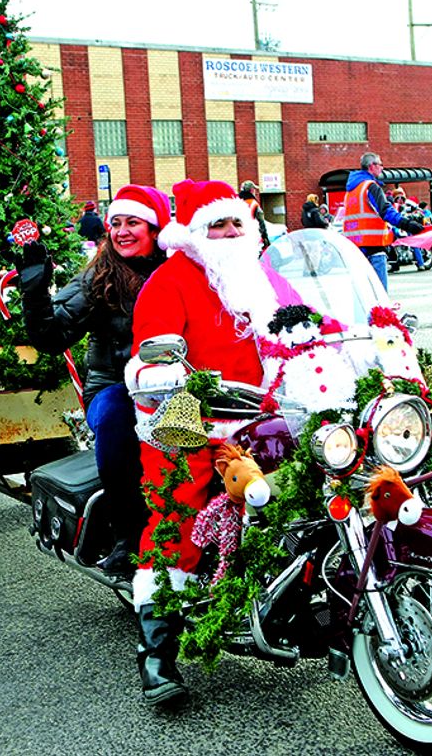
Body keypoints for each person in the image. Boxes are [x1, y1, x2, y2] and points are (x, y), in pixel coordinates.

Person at [125, 178, 289, 705]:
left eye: (236, 222)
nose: (229, 232)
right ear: (194, 233)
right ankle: (158, 652)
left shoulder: (263, 275)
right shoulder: (169, 281)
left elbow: (306, 325)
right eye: (216, 224)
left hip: (264, 420)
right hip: (189, 422)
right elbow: (150, 358)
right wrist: (166, 379)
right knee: (178, 517)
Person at [19, 184, 172, 579]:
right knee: (117, 417)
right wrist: (35, 285)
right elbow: (50, 337)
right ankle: (126, 535)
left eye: (132, 222)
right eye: (115, 223)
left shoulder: (177, 270)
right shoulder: (99, 277)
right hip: (115, 384)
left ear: (155, 229)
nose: (121, 231)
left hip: (175, 382)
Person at [340, 152, 424, 289]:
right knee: (380, 298)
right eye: (380, 164)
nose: (382, 168)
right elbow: (386, 212)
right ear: (372, 166)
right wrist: (407, 224)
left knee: (362, 296)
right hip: (373, 248)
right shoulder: (370, 187)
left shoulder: (351, 190)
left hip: (355, 248)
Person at [238, 180, 271, 249]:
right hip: (252, 236)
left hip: (239, 236)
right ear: (251, 190)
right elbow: (261, 222)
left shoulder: (236, 202)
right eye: (254, 189)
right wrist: (265, 237)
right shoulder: (253, 204)